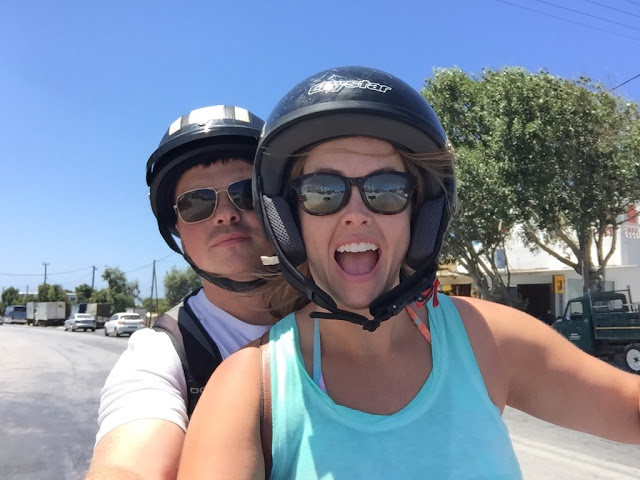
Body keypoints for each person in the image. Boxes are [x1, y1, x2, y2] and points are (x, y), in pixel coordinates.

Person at [178, 67, 640, 479]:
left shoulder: (484, 339)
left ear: (419, 216)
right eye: (323, 192)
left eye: (386, 190)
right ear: (289, 220)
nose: (355, 214)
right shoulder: (249, 390)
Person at [86, 105, 278, 479]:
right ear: (176, 229)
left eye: (247, 193)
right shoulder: (163, 354)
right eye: (196, 203)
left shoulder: (346, 314)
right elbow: (127, 465)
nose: (225, 213)